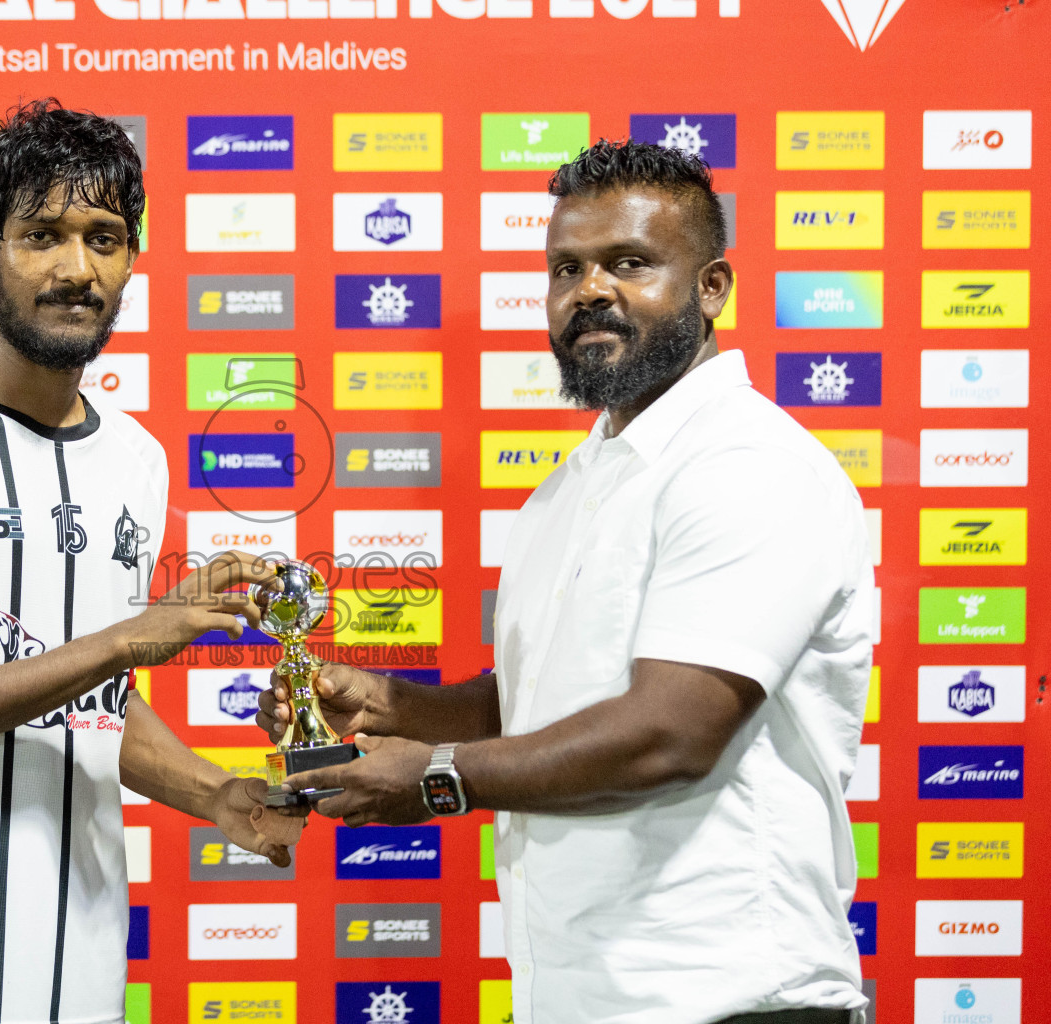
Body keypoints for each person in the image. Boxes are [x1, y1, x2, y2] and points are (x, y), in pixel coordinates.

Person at [263, 140, 873, 1024]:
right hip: (574, 997)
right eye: (566, 267)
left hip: (731, 1000)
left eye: (629, 262)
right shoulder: (571, 488)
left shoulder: (752, 466)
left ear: (712, 288)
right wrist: (389, 707)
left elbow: (668, 733)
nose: (591, 289)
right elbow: (545, 704)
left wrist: (436, 777)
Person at [0, 98, 299, 1024]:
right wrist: (129, 638)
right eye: (42, 234)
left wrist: (215, 795)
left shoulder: (138, 458)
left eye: (105, 238)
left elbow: (89, 709)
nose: (77, 269)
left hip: (83, 970)